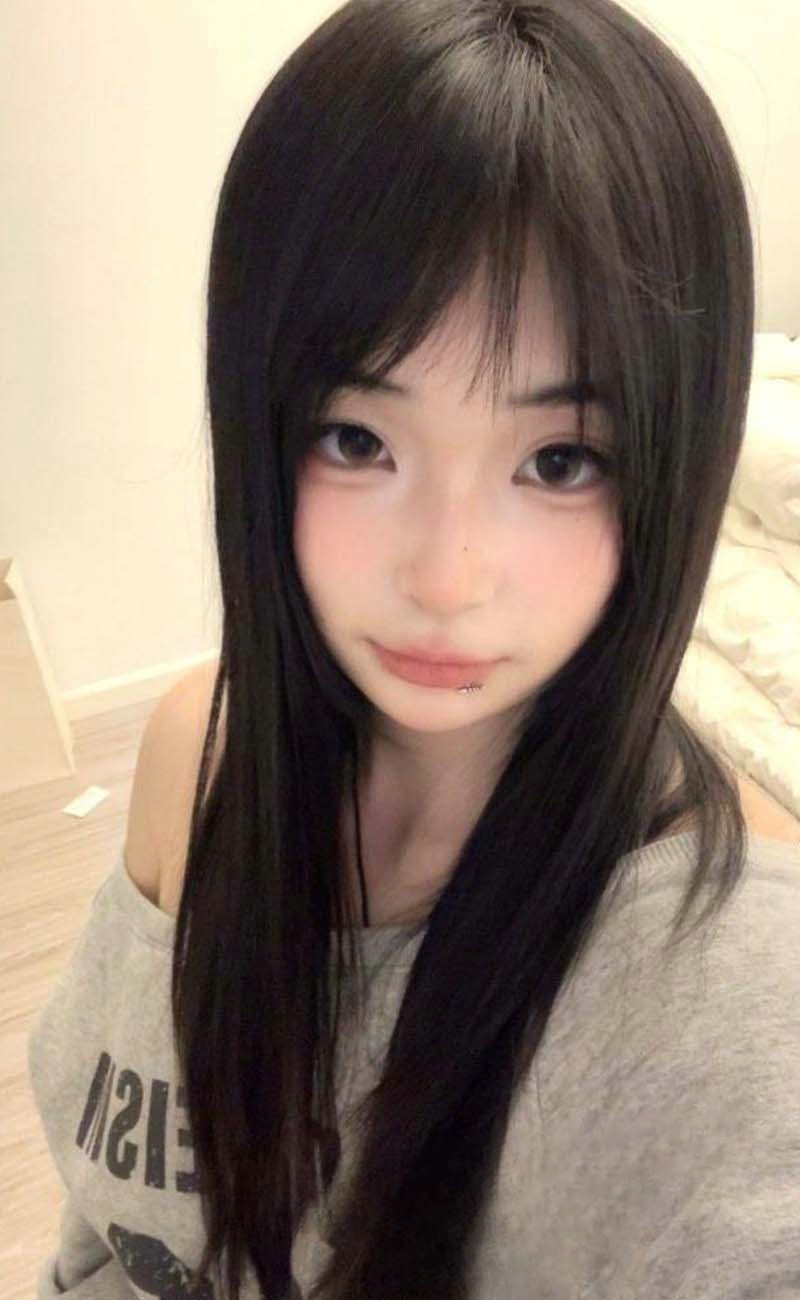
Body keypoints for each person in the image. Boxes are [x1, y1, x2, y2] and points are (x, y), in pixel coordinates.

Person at [28, 1, 800, 1297]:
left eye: (561, 461)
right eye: (359, 440)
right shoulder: (200, 753)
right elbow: (105, 1235)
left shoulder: (724, 966)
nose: (447, 577)